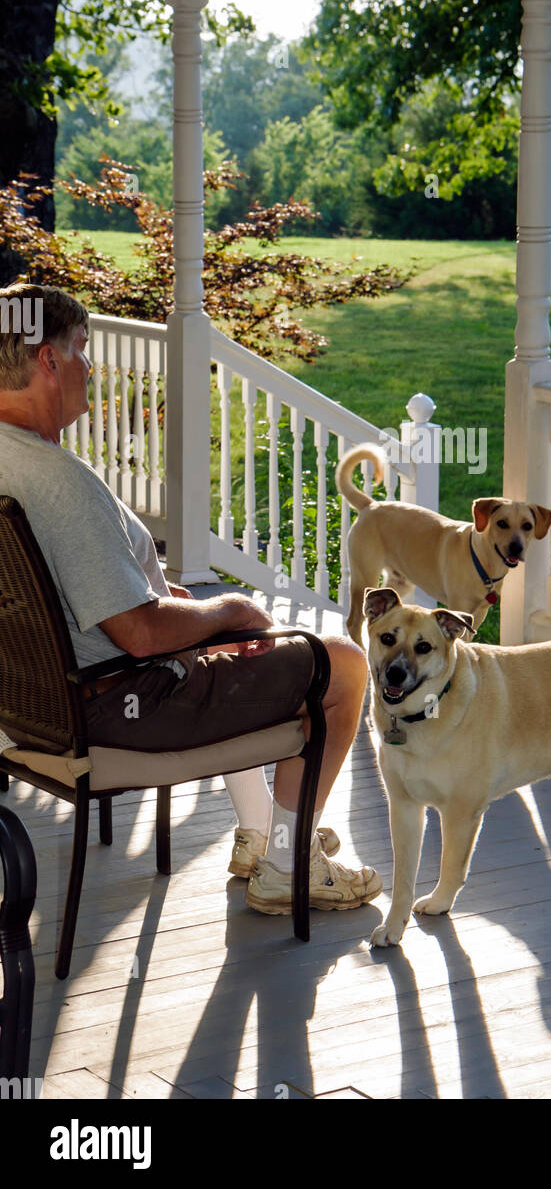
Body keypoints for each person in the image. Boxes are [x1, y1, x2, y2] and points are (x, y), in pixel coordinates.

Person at [0, 283, 381, 915]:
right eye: (82, 350)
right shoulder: (59, 483)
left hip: (31, 705)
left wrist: (190, 611)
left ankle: (266, 835)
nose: (90, 368)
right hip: (119, 702)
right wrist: (228, 610)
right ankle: (290, 865)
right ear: (48, 361)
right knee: (340, 664)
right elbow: (142, 634)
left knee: (216, 633)